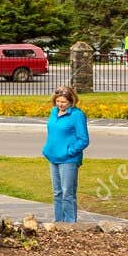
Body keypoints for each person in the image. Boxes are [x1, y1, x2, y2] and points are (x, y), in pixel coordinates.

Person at [42, 85, 89, 224]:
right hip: (52, 157)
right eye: (58, 101)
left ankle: (70, 223)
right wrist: (47, 149)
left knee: (67, 193)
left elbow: (84, 139)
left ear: (71, 101)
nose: (60, 104)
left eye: (64, 102)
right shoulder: (53, 112)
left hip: (68, 160)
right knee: (57, 192)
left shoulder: (77, 115)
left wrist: (68, 151)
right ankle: (58, 221)